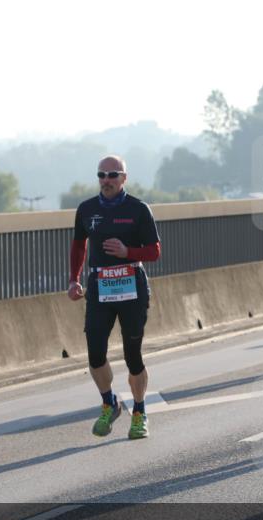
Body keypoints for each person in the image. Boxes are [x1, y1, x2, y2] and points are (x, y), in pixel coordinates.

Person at [69, 155, 161, 439]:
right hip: (99, 289)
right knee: (95, 353)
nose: (106, 180)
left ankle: (139, 411)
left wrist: (127, 252)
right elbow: (78, 246)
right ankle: (110, 402)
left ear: (124, 178)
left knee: (132, 355)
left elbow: (154, 251)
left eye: (113, 175)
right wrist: (73, 279)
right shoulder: (86, 209)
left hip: (132, 287)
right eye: (102, 175)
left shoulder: (138, 209)